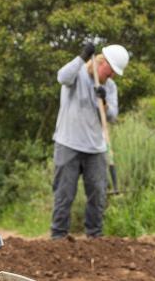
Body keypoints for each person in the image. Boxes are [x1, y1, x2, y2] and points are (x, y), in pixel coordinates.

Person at [50, 41, 130, 239]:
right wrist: (82, 56)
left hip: (95, 148)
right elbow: (62, 77)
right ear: (101, 62)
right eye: (110, 71)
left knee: (98, 193)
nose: (111, 76)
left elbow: (112, 116)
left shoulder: (109, 87)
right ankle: (58, 236)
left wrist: (102, 101)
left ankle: (94, 236)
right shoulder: (77, 75)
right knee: (64, 193)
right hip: (68, 143)